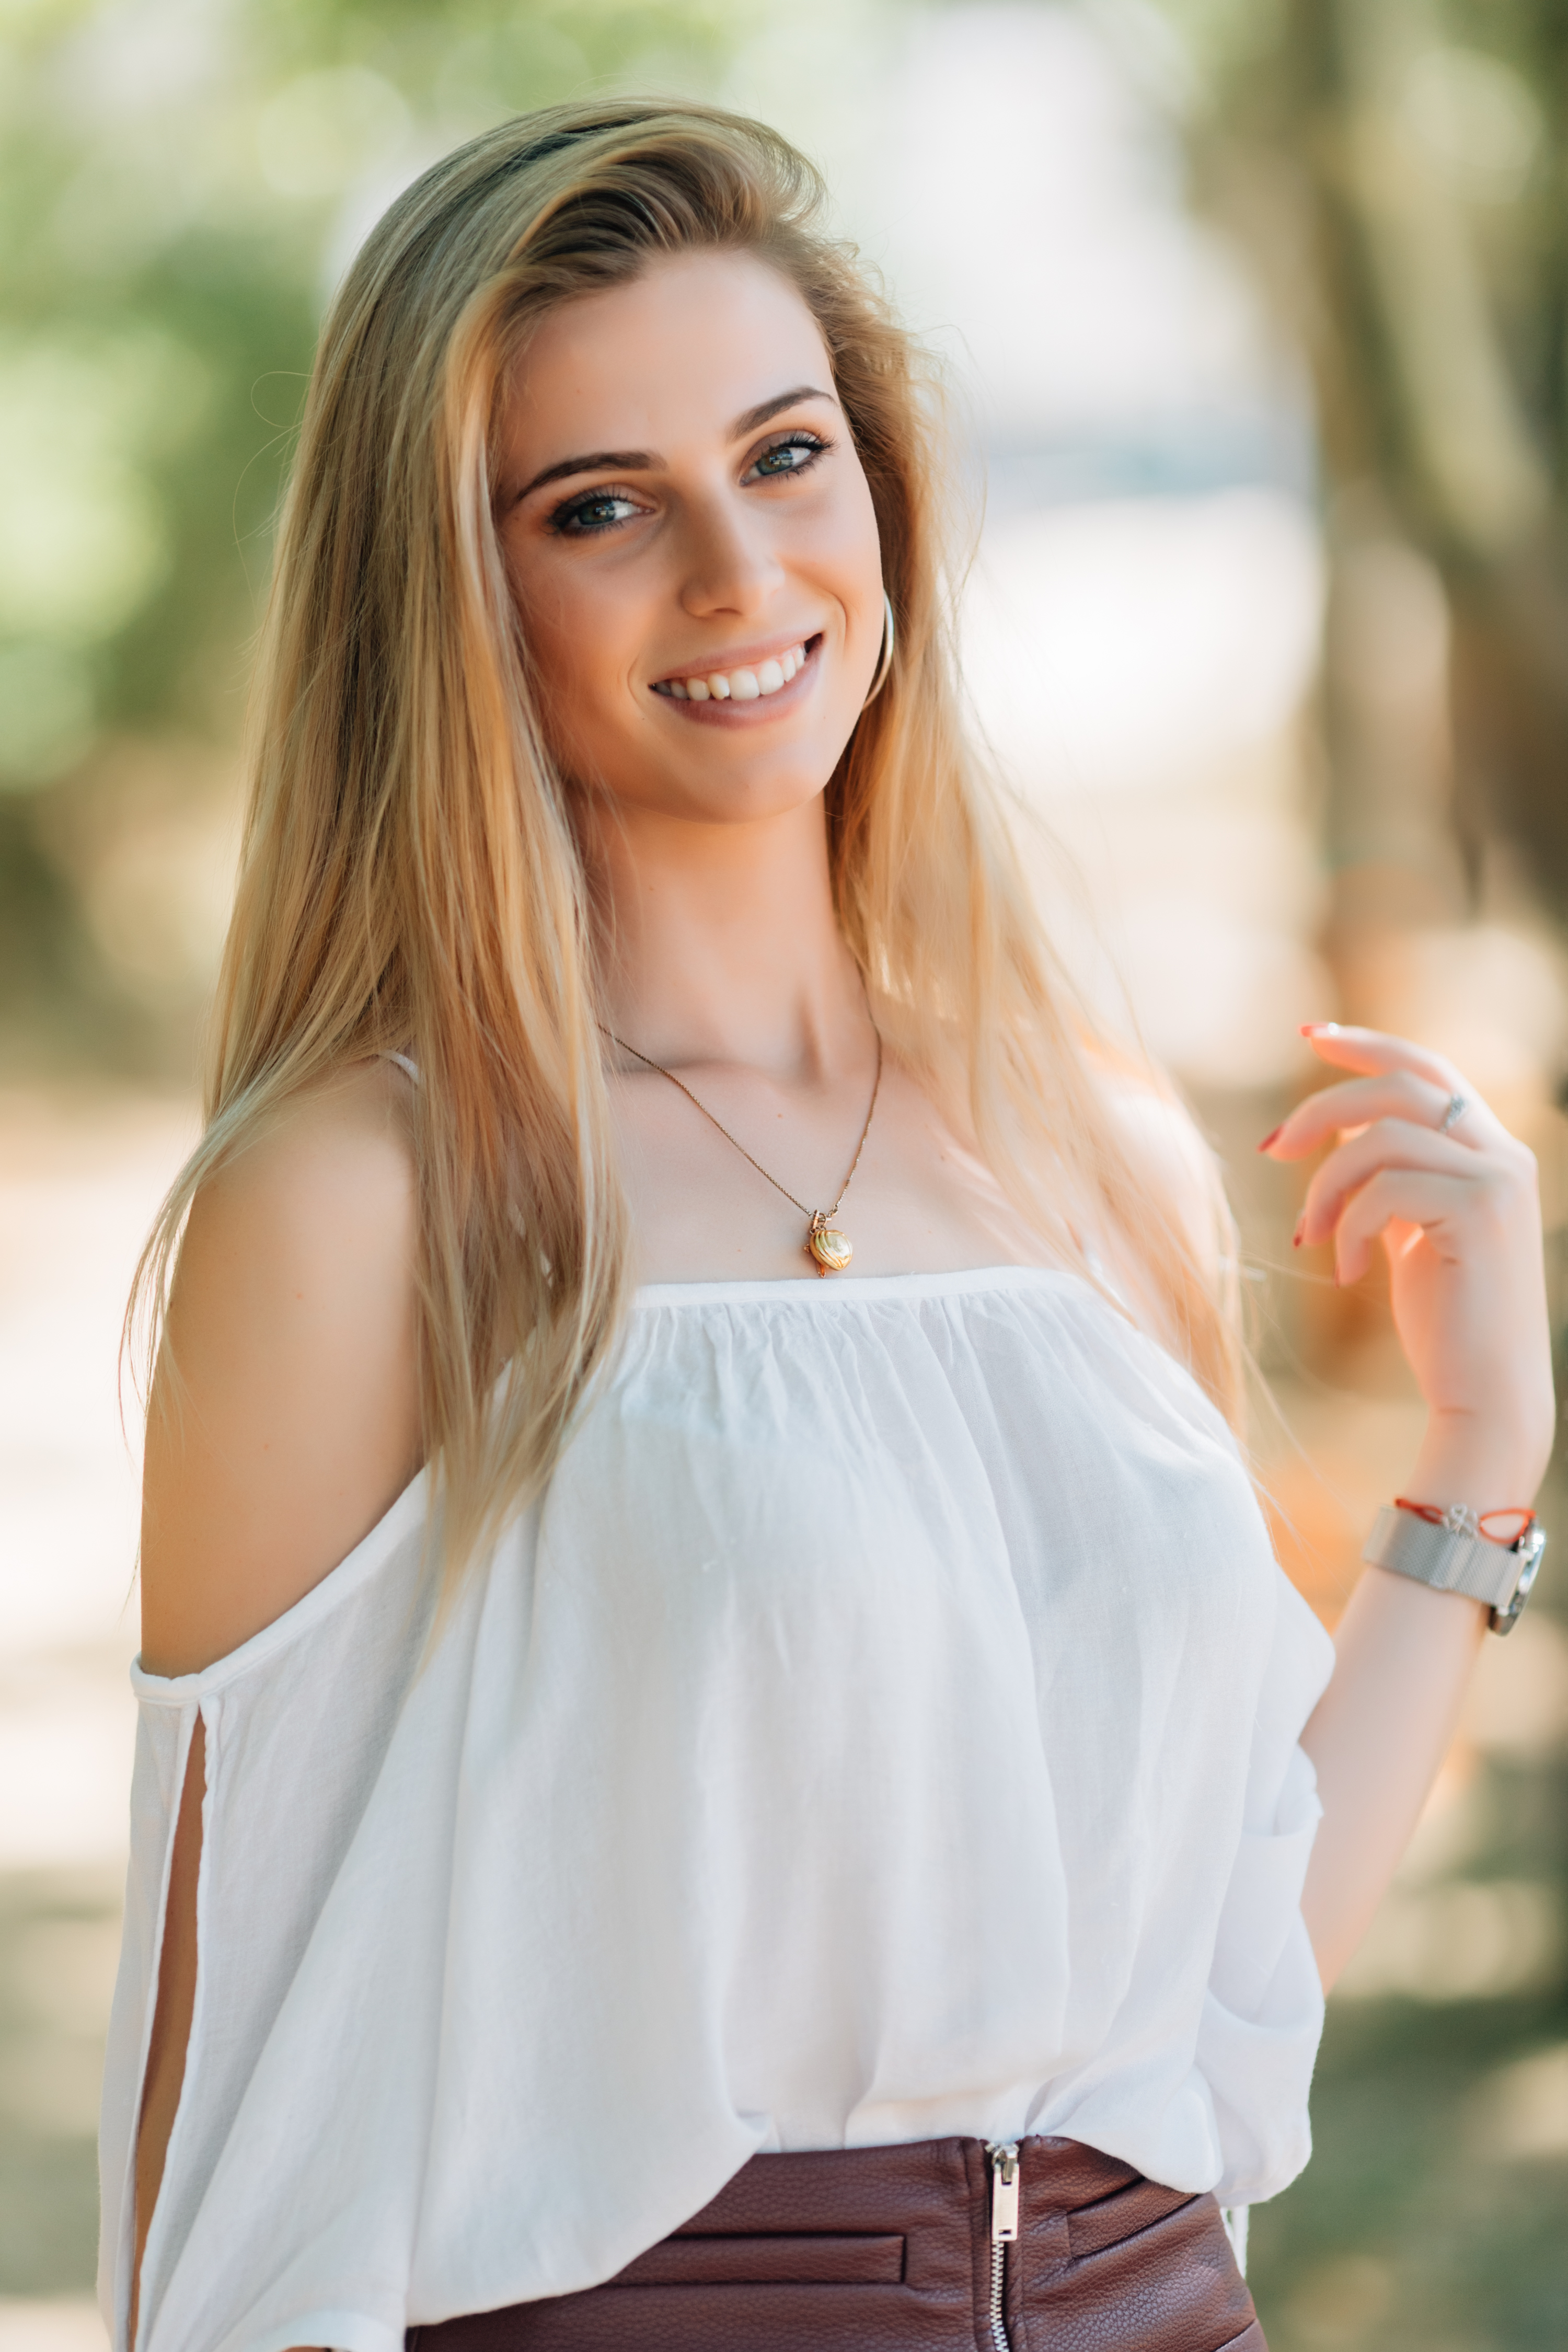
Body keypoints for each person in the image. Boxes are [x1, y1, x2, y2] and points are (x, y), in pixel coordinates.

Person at [103, 101, 1554, 2352]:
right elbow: (234, 2112)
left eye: (786, 457)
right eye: (601, 507)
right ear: (461, 594)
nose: (737, 572)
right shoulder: (364, 1200)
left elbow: (1222, 1966)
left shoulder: (1089, 1149)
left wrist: (1481, 1455)